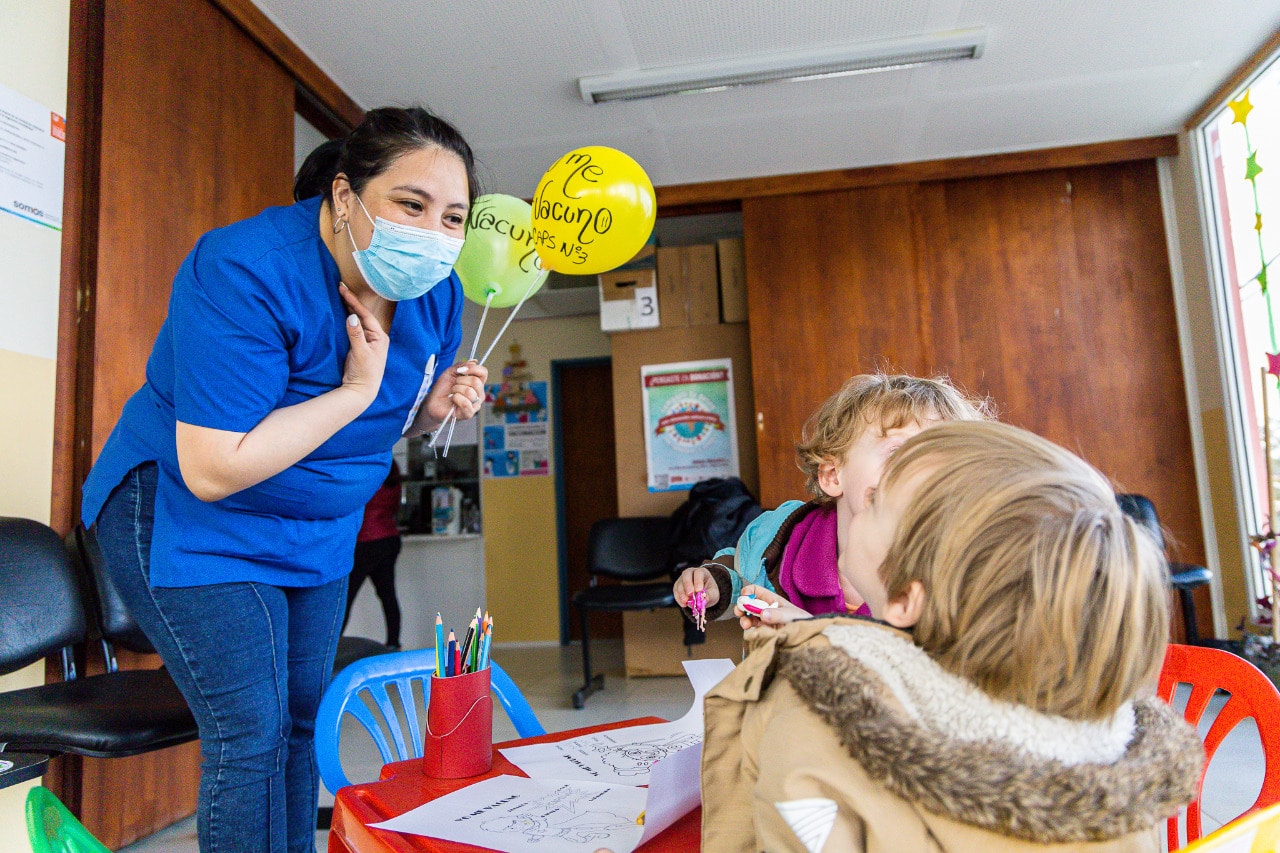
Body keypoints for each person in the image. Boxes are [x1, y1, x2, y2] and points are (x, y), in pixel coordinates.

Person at [80, 106, 488, 853]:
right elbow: (213, 466)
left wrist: (429, 412)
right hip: (189, 514)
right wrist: (353, 392)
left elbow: (383, 427)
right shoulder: (244, 268)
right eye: (411, 203)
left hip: (317, 526)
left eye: (454, 215)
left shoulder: (438, 295)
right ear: (343, 196)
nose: (434, 232)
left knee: (303, 716)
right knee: (252, 730)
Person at [700, 421, 1204, 852]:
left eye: (877, 505)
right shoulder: (1122, 760)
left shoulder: (803, 721)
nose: (857, 512)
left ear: (905, 599)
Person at [673, 373, 989, 624]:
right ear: (833, 476)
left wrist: (809, 632)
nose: (918, 470)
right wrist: (716, 583)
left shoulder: (960, 568)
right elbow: (743, 576)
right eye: (898, 451)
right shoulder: (780, 539)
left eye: (940, 457)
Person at [344, 459, 404, 648]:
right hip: (389, 540)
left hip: (365, 543)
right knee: (388, 596)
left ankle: (332, 645)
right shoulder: (394, 483)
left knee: (345, 598)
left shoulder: (368, 479)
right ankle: (394, 644)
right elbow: (394, 509)